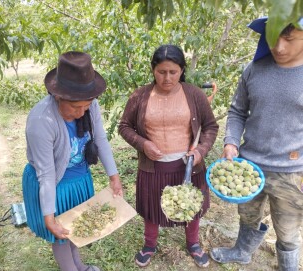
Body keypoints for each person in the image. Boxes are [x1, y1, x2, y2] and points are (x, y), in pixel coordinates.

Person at [209, 16, 303, 271]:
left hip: (293, 170)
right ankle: (242, 252)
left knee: (288, 227)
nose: (279, 47)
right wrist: (231, 143)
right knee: (247, 215)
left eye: (289, 38)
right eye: (273, 37)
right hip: (249, 166)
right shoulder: (254, 69)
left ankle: (288, 266)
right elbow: (238, 111)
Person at [118, 44, 219, 268]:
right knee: (151, 205)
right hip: (153, 166)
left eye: (173, 72)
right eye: (161, 72)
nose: (167, 78)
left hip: (188, 165)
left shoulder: (194, 94)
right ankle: (149, 244)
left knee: (190, 205)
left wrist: (201, 151)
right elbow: (124, 126)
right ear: (153, 70)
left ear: (182, 70)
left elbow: (211, 126)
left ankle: (193, 243)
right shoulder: (140, 96)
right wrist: (143, 144)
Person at [22, 51, 123, 271]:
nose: (81, 113)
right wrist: (49, 218)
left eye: (85, 106)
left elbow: (101, 140)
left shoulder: (90, 106)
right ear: (58, 96)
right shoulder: (41, 121)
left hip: (78, 178)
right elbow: (47, 175)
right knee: (61, 234)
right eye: (75, 107)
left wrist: (113, 176)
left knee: (74, 229)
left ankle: (79, 266)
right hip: (55, 184)